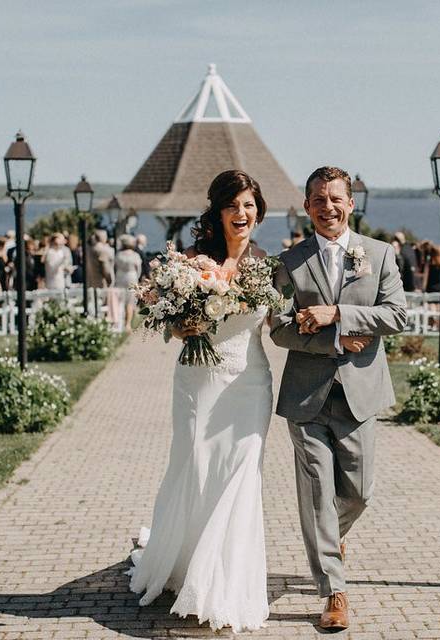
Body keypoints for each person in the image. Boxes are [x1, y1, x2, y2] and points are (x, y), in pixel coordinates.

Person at [129, 170, 273, 633]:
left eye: (249, 205)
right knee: (192, 463)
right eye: (233, 205)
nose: (241, 213)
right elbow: (155, 308)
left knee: (239, 473)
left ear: (258, 211)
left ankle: (226, 580)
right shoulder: (190, 261)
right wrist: (178, 326)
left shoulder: (265, 264)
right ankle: (184, 562)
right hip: (198, 379)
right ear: (218, 211)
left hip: (249, 382)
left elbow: (278, 323)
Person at [270, 166, 407, 631]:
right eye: (317, 199)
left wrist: (338, 315)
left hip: (360, 396)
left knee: (359, 493)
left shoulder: (380, 254)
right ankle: (333, 591)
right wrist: (331, 340)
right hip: (306, 398)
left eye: (335, 198)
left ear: (350, 204)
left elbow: (397, 316)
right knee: (316, 496)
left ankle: (329, 541)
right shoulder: (288, 262)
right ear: (306, 206)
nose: (327, 207)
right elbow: (279, 327)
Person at [114, 235, 143, 330]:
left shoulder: (119, 255)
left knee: (120, 300)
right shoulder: (135, 255)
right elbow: (138, 269)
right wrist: (137, 278)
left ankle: (119, 323)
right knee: (130, 301)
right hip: (131, 276)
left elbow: (115, 267)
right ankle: (128, 324)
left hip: (120, 276)